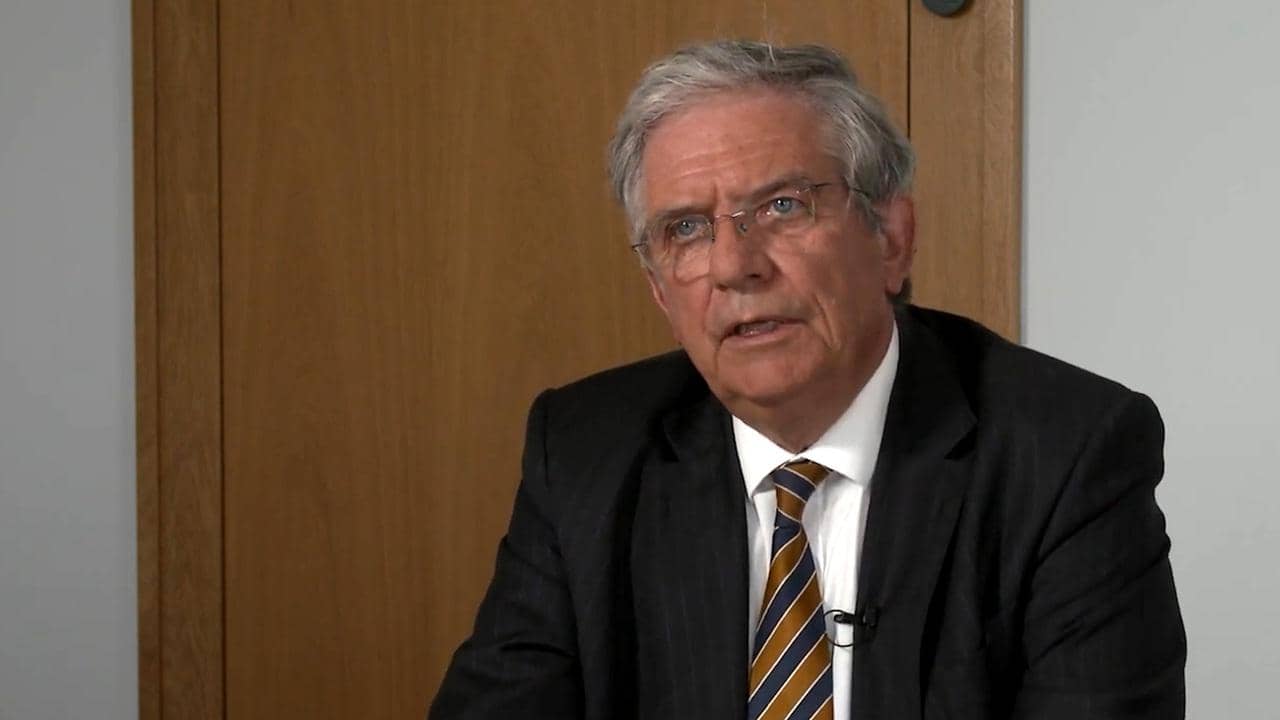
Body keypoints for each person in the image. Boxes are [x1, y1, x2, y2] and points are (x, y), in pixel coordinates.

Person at [429, 40, 1185, 720]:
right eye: (686, 229)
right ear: (660, 291)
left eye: (783, 206)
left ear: (892, 240)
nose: (735, 266)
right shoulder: (585, 453)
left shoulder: (1066, 455)